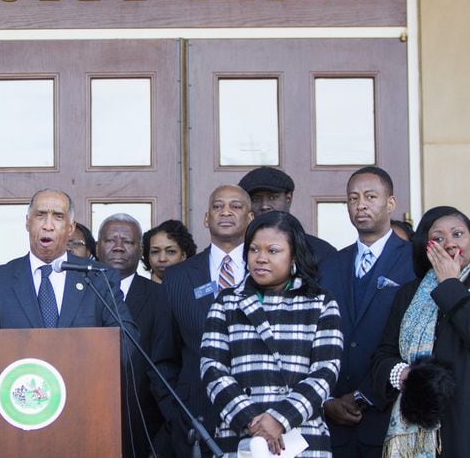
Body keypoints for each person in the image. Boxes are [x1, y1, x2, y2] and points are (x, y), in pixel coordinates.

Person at [201, 211, 343, 456]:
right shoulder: (227, 302)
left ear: (294, 255)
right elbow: (212, 368)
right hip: (241, 436)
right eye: (254, 250)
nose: (261, 258)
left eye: (273, 251)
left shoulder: (320, 302)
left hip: (301, 436)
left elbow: (326, 371)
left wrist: (279, 419)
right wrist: (253, 422)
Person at [151, 185, 254, 457]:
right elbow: (162, 359)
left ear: (251, 218)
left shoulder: (267, 271)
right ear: (207, 219)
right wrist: (177, 412)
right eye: (218, 206)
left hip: (259, 418)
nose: (226, 212)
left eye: (236, 206)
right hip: (196, 420)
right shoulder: (177, 278)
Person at [319, 166, 415, 458]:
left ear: (390, 203)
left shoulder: (414, 260)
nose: (360, 205)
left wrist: (366, 396)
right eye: (352, 198)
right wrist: (327, 400)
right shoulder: (330, 264)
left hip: (392, 417)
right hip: (334, 422)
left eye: (371, 196)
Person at [0, 188, 137, 344]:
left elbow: (125, 340)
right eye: (40, 215)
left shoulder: (99, 277)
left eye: (58, 216)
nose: (48, 225)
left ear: (70, 228)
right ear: (28, 223)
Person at [371, 206, 470, 458]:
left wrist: (450, 285)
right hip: (417, 420)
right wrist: (402, 375)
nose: (449, 244)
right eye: (438, 238)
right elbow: (384, 355)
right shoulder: (409, 293)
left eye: (458, 234)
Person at [96, 214, 163, 458]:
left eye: (128, 241)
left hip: (145, 424)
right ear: (97, 247)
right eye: (110, 240)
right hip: (87, 414)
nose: (118, 247)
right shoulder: (77, 292)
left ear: (141, 250)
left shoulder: (160, 296)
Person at [238, 166, 337, 263]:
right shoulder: (237, 250)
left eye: (273, 198)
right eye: (256, 199)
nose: (264, 206)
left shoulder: (320, 251)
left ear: (288, 198)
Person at [141, 219, 197, 284]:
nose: (162, 259)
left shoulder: (200, 288)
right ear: (148, 257)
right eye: (155, 252)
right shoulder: (136, 290)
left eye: (170, 252)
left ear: (183, 256)